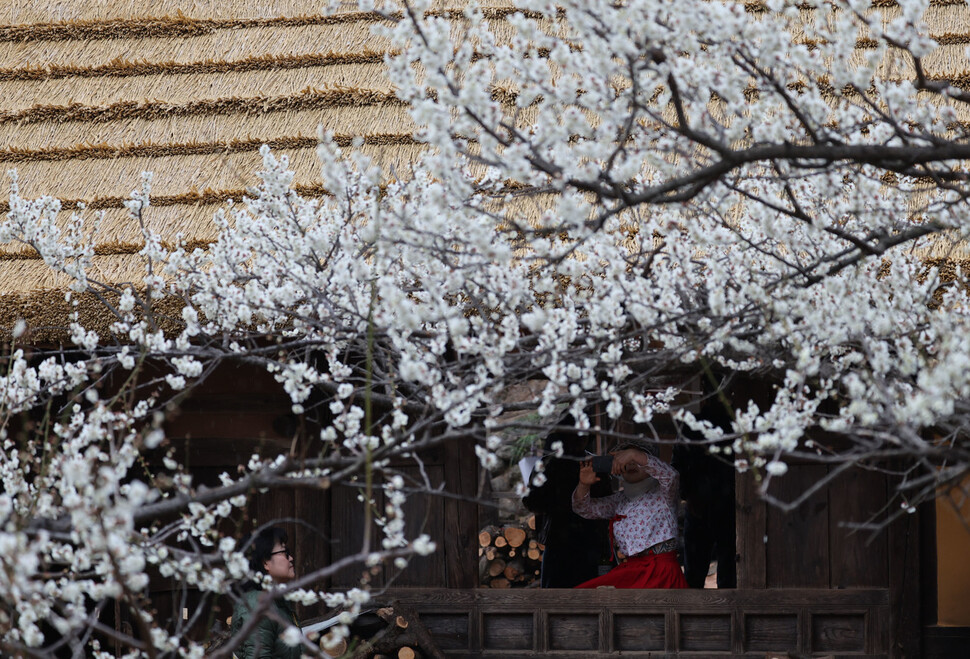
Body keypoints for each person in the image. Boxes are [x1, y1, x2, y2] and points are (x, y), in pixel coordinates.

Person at [571, 440, 688, 589]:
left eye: (636, 460)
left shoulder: (664, 493)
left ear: (650, 465)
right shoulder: (619, 500)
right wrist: (584, 484)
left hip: (661, 571)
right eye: (626, 460)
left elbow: (671, 475)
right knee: (583, 594)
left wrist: (633, 454)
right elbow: (583, 508)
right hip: (632, 570)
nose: (631, 464)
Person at [522, 427, 610, 587]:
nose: (576, 439)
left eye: (581, 435)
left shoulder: (596, 464)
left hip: (591, 540)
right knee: (556, 596)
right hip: (559, 540)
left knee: (590, 593)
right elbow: (532, 501)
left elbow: (608, 504)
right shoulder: (547, 465)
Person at [672, 404, 737, 588]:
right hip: (701, 503)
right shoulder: (691, 425)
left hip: (726, 504)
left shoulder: (732, 422)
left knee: (726, 568)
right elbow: (677, 466)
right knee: (697, 571)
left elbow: (677, 464)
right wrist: (688, 494)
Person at [230, 526, 303, 659]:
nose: (291, 558)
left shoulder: (278, 602)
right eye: (285, 552)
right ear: (265, 563)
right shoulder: (258, 607)